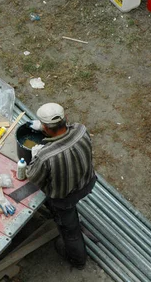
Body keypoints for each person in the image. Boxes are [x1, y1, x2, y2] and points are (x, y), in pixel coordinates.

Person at [26, 103, 96, 270]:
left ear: (45, 128)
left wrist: (34, 156)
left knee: (69, 230)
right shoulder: (81, 129)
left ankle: (78, 260)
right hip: (87, 182)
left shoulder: (45, 156)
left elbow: (33, 177)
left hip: (64, 197)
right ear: (65, 119)